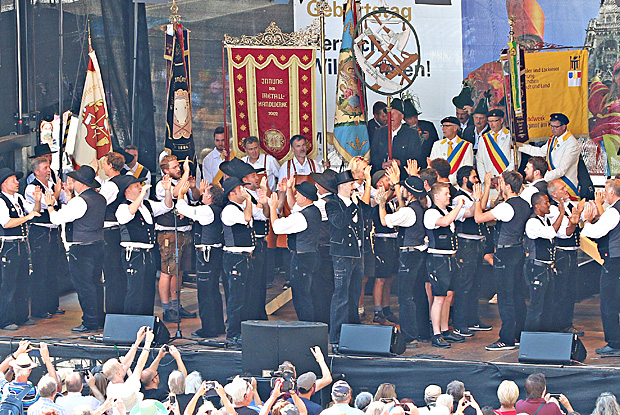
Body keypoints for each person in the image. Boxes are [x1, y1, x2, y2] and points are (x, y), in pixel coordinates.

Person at [473, 171, 530, 351]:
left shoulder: (506, 207)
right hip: (518, 250)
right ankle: (518, 334)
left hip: (505, 253)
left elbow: (478, 218)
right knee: (517, 295)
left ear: (508, 186)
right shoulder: (524, 204)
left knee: (505, 297)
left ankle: (506, 339)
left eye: (501, 183)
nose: (499, 186)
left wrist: (477, 199)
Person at [47, 165, 106, 333]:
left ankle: (90, 321)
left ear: (81, 183)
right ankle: (98, 319)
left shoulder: (80, 201)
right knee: (95, 283)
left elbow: (57, 218)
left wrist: (50, 205)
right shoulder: (99, 198)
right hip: (97, 244)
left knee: (84, 286)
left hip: (81, 248)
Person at [377, 174, 428, 348]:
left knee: (405, 298)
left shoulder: (408, 211)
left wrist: (382, 203)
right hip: (418, 253)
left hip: (409, 255)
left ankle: (410, 336)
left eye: (404, 188)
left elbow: (385, 221)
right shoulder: (419, 208)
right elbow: (402, 208)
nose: (402, 190)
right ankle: (421, 332)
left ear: (410, 192)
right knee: (416, 294)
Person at [326, 170, 372, 347]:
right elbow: (339, 222)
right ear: (342, 186)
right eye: (351, 184)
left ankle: (353, 331)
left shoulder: (356, 203)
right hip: (342, 254)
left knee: (354, 294)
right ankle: (336, 337)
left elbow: (369, 212)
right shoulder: (332, 203)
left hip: (358, 253)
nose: (354, 186)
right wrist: (353, 205)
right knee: (341, 296)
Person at [116, 175, 174, 315]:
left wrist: (167, 190)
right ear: (127, 190)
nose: (140, 188)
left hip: (148, 253)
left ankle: (146, 320)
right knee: (135, 290)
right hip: (134, 254)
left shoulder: (146, 205)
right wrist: (141, 195)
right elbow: (126, 216)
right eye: (137, 186)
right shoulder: (123, 207)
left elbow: (167, 206)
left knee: (148, 290)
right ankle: (132, 322)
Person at [176, 181, 226, 338]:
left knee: (205, 293)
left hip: (206, 255)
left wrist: (181, 194)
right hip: (215, 252)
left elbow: (183, 208)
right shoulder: (216, 209)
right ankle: (217, 326)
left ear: (210, 197)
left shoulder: (207, 211)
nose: (203, 194)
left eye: (205, 193)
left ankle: (209, 329)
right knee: (213, 291)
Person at [269, 182, 321, 322]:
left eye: (298, 194)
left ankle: (306, 325)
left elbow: (277, 228)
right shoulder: (314, 210)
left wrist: (273, 208)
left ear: (304, 197)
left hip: (302, 259)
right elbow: (294, 207)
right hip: (313, 255)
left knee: (301, 295)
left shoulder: (301, 217)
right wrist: (288, 190)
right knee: (311, 293)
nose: (296, 196)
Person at [156, 155, 198, 322]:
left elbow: (194, 198)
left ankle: (176, 305)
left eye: (178, 166)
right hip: (169, 233)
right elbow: (174, 194)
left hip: (184, 231)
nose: (178, 169)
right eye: (174, 167)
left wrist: (193, 187)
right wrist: (186, 173)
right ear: (166, 170)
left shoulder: (182, 182)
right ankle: (167, 309)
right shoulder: (162, 184)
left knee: (179, 271)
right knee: (167, 271)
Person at [424, 182, 466, 348]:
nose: (449, 196)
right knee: (439, 297)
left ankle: (445, 329)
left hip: (450, 257)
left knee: (448, 296)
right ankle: (436, 334)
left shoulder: (449, 210)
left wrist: (477, 199)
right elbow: (445, 222)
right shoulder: (431, 213)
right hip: (438, 258)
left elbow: (469, 213)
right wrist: (459, 206)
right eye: (446, 194)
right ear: (436, 196)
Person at [581, 179, 620, 354]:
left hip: (614, 261)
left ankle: (614, 343)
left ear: (611, 193)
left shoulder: (613, 212)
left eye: (605, 190)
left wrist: (587, 221)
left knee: (608, 302)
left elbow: (597, 232)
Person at [24, 157, 66, 320]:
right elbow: (47, 204)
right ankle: (39, 309)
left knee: (53, 270)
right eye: (44, 168)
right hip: (40, 232)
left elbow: (63, 200)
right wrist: (57, 192)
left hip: (54, 231)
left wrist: (60, 191)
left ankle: (52, 305)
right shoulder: (32, 188)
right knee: (41, 271)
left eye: (49, 167)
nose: (48, 170)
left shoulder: (52, 184)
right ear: (36, 172)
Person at [452, 166, 492, 337]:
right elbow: (477, 210)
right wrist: (485, 188)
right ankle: (460, 323)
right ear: (464, 179)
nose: (477, 180)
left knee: (475, 284)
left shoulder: (472, 196)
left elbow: (485, 205)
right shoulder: (459, 198)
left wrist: (486, 191)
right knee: (465, 284)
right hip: (466, 244)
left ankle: (473, 319)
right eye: (474, 177)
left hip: (477, 243)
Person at [0, 167, 41, 330]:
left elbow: (34, 212)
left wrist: (37, 201)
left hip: (21, 243)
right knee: (8, 284)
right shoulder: (1, 201)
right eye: (13, 180)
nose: (17, 183)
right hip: (8, 245)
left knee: (22, 281)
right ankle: (6, 320)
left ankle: (22, 316)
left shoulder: (18, 198)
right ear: (4, 184)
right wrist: (27, 217)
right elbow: (7, 223)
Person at [220, 176, 257, 345]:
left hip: (245, 257)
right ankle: (233, 333)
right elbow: (247, 218)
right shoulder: (229, 210)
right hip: (235, 257)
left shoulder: (240, 207)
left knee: (246, 296)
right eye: (240, 189)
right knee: (236, 297)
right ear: (232, 193)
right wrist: (249, 199)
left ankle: (242, 330)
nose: (243, 191)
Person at [547, 179, 584, 335]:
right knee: (561, 291)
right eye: (562, 188)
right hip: (562, 253)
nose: (566, 190)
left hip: (572, 252)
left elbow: (581, 217)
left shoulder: (569, 204)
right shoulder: (553, 209)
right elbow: (564, 233)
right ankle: (559, 325)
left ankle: (567, 323)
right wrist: (574, 221)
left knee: (570, 291)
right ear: (554, 194)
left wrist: (581, 213)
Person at [523, 192, 564, 332]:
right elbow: (550, 233)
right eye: (545, 203)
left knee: (548, 304)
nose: (549, 205)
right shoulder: (532, 222)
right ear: (537, 206)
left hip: (547, 267)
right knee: (536, 305)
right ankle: (531, 335)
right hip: (537, 267)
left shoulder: (545, 220)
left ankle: (545, 333)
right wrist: (561, 214)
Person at [518, 113, 580, 199]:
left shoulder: (571, 144)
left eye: (556, 127)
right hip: (552, 184)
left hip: (565, 185)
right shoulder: (553, 139)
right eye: (551, 126)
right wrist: (519, 146)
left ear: (564, 126)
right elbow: (540, 152)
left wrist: (541, 177)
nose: (553, 129)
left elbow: (561, 170)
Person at [99, 151, 129, 315]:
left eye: (104, 163)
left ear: (111, 165)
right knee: (119, 271)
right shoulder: (127, 179)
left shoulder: (111, 185)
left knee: (112, 273)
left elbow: (100, 204)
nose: (103, 166)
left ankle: (113, 311)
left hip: (110, 230)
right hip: (122, 229)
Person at [103, 326, 155, 412]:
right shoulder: (127, 388)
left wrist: (137, 342)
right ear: (118, 374)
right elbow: (139, 365)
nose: (122, 364)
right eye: (120, 365)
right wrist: (148, 343)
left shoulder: (111, 386)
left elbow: (125, 364)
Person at [309, 170, 337, 325]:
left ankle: (323, 319)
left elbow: (297, 209)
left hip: (322, 249)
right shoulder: (335, 201)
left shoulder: (321, 204)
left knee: (320, 286)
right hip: (332, 248)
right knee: (330, 285)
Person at [369, 98, 423, 175]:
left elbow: (416, 157)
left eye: (393, 113)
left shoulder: (411, 134)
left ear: (401, 116)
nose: (390, 116)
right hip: (382, 173)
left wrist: (400, 162)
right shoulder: (379, 132)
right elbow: (373, 154)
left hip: (402, 174)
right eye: (388, 114)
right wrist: (382, 164)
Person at [0, 342, 57, 412]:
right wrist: (46, 359)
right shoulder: (34, 393)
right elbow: (53, 383)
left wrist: (16, 353)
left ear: (14, 368)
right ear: (29, 371)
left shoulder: (4, 388)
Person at [430, 117, 473, 184]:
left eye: (447, 126)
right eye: (443, 126)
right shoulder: (437, 144)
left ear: (455, 128)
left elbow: (467, 168)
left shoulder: (466, 145)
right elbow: (432, 165)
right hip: (440, 184)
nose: (443, 129)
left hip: (458, 184)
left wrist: (452, 180)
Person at [477, 109, 514, 180]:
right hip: (489, 181)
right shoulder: (484, 138)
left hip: (506, 179)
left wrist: (502, 177)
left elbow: (515, 159)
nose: (491, 124)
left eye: (494, 121)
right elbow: (479, 161)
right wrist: (484, 179)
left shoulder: (510, 136)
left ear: (501, 120)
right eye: (489, 121)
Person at [403, 98, 438, 166]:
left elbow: (436, 143)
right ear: (404, 119)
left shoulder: (428, 126)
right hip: (409, 162)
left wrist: (428, 138)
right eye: (410, 119)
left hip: (426, 161)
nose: (414, 120)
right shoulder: (403, 129)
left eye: (415, 117)